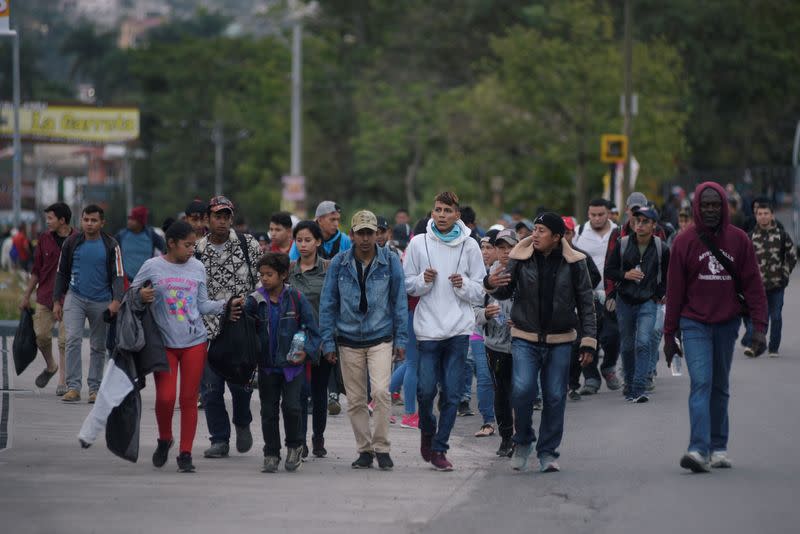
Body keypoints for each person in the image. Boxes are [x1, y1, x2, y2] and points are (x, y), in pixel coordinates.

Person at [663, 182, 768, 473]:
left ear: (724, 206)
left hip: (727, 323)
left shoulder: (740, 240)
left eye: (715, 204)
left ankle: (718, 447)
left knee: (720, 386)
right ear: (697, 207)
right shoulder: (684, 242)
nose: (710, 210)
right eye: (705, 205)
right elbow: (674, 292)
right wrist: (669, 335)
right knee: (701, 383)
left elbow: (754, 287)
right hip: (694, 322)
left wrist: (759, 327)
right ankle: (698, 449)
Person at [484, 213, 596, 473]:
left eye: (541, 230)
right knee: (522, 390)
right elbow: (503, 290)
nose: (534, 235)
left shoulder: (576, 262)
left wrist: (588, 341)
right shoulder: (520, 257)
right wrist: (490, 282)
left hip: (560, 339)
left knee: (556, 396)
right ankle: (523, 441)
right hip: (525, 337)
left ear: (557, 237)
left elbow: (586, 304)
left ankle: (548, 451)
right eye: (534, 229)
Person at [133, 221, 242, 473]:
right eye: (187, 244)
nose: (192, 249)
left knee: (189, 399)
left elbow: (202, 304)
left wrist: (225, 306)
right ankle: (164, 438)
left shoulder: (197, 267)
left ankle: (185, 453)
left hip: (195, 341)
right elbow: (132, 293)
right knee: (166, 397)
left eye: (194, 244)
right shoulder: (152, 266)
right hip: (164, 343)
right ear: (171, 244)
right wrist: (140, 296)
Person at [319, 211, 408, 470]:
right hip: (347, 340)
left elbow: (399, 302)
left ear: (376, 234)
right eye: (361, 233)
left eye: (370, 233)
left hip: (381, 337)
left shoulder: (390, 262)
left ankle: (381, 447)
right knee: (356, 400)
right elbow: (328, 304)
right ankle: (364, 449)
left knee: (381, 392)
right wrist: (327, 341)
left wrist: (402, 339)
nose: (366, 238)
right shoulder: (339, 263)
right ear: (352, 235)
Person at [403, 192, 485, 471]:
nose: (441, 214)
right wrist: (422, 282)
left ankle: (440, 448)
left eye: (447, 210)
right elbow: (407, 284)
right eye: (437, 209)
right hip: (427, 329)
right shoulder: (418, 243)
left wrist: (463, 284)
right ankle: (428, 429)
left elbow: (480, 288)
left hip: (459, 330)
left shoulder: (470, 246)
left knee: (451, 394)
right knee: (425, 392)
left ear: (457, 215)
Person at [196, 196, 263, 459]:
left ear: (231, 219)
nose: (222, 221)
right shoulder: (197, 251)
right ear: (207, 220)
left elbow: (263, 281)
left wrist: (248, 304)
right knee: (211, 390)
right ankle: (219, 439)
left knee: (241, 385)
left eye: (226, 216)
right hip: (208, 329)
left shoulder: (248, 245)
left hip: (241, 327)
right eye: (217, 216)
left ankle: (242, 421)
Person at [246, 253, 321, 473]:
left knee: (292, 407)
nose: (265, 279)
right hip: (267, 367)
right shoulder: (255, 300)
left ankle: (294, 447)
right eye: (261, 275)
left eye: (269, 274)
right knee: (268, 411)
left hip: (292, 367)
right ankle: (271, 453)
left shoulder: (297, 298)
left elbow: (313, 331)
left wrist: (305, 352)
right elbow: (245, 332)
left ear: (283, 275)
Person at [53, 205, 124, 403]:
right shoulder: (71, 242)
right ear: (81, 221)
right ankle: (73, 387)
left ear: (102, 223)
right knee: (73, 339)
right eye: (86, 220)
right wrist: (57, 301)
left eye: (94, 220)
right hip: (74, 297)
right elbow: (61, 272)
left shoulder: (111, 245)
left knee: (98, 346)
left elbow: (118, 274)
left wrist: (117, 300)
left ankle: (95, 389)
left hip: (102, 301)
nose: (89, 224)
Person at [605, 207, 669, 403]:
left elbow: (668, 276)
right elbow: (609, 270)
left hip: (648, 302)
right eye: (637, 221)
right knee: (626, 345)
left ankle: (639, 388)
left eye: (645, 221)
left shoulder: (662, 248)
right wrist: (626, 275)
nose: (640, 225)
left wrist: (659, 294)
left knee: (643, 342)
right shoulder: (622, 244)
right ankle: (630, 383)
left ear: (653, 225)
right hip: (625, 301)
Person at [20, 202, 76, 394]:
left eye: (50, 218)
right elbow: (36, 270)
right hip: (45, 295)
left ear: (62, 220)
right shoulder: (44, 238)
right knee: (41, 336)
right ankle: (51, 366)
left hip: (69, 297)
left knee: (64, 340)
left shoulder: (78, 239)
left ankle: (63, 381)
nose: (47, 222)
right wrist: (26, 295)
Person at [289, 220, 332, 458]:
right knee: (299, 392)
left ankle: (318, 437)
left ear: (318, 242)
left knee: (319, 392)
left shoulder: (328, 268)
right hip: (296, 341)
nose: (303, 245)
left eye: (308, 240)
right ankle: (301, 440)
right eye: (299, 240)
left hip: (323, 339)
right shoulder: (289, 270)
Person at [475, 229, 518, 456]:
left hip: (523, 342)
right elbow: (472, 310)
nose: (506, 252)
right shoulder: (486, 278)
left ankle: (521, 436)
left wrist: (522, 320)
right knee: (501, 391)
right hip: (495, 345)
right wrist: (486, 314)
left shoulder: (526, 272)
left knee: (521, 391)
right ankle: (506, 437)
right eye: (501, 247)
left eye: (510, 247)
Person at [572, 198, 620, 393]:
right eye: (593, 215)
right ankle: (591, 378)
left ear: (608, 213)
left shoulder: (618, 231)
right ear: (588, 214)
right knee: (587, 334)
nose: (597, 218)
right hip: (587, 294)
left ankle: (608, 366)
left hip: (612, 294)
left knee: (613, 334)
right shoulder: (579, 233)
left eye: (601, 214)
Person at [741, 199, 796, 357]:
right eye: (760, 214)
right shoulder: (749, 237)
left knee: (776, 317)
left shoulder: (782, 236)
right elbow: (742, 261)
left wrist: (784, 274)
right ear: (756, 216)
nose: (763, 217)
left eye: (766, 213)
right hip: (756, 287)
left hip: (777, 285)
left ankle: (773, 347)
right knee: (755, 317)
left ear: (772, 215)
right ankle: (755, 345)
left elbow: (791, 256)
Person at [115, 206, 166, 281]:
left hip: (147, 280)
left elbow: (165, 249)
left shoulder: (151, 235)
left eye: (133, 219)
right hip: (126, 281)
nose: (129, 221)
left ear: (140, 221)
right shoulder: (121, 235)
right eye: (129, 218)